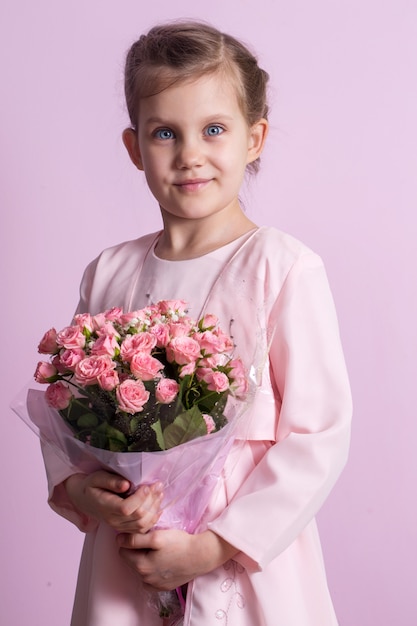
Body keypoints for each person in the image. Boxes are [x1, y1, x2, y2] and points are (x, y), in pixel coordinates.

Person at [41, 20, 352, 626]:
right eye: (165, 133)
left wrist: (213, 547)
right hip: (128, 556)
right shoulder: (109, 272)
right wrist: (81, 491)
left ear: (254, 137)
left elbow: (318, 435)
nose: (190, 155)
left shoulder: (281, 268)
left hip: (240, 562)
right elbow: (66, 415)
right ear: (134, 148)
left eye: (214, 130)